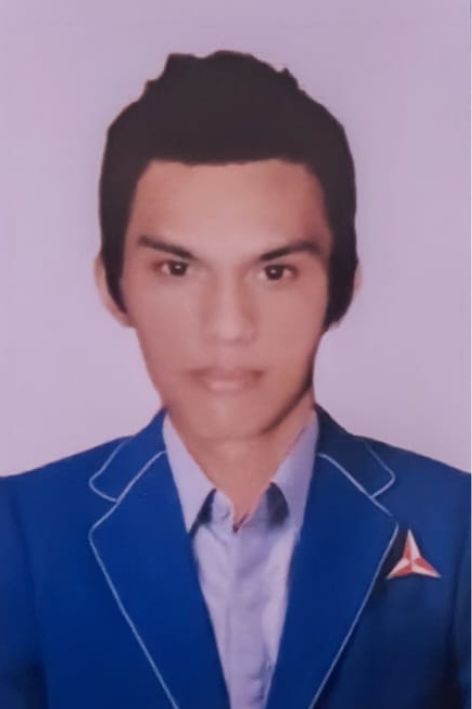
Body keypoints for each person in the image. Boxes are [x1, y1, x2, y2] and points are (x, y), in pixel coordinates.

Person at [0, 49, 469, 709]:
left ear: (341, 287)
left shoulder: (456, 523)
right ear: (113, 285)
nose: (227, 325)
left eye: (274, 272)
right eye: (177, 269)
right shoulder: (21, 530)